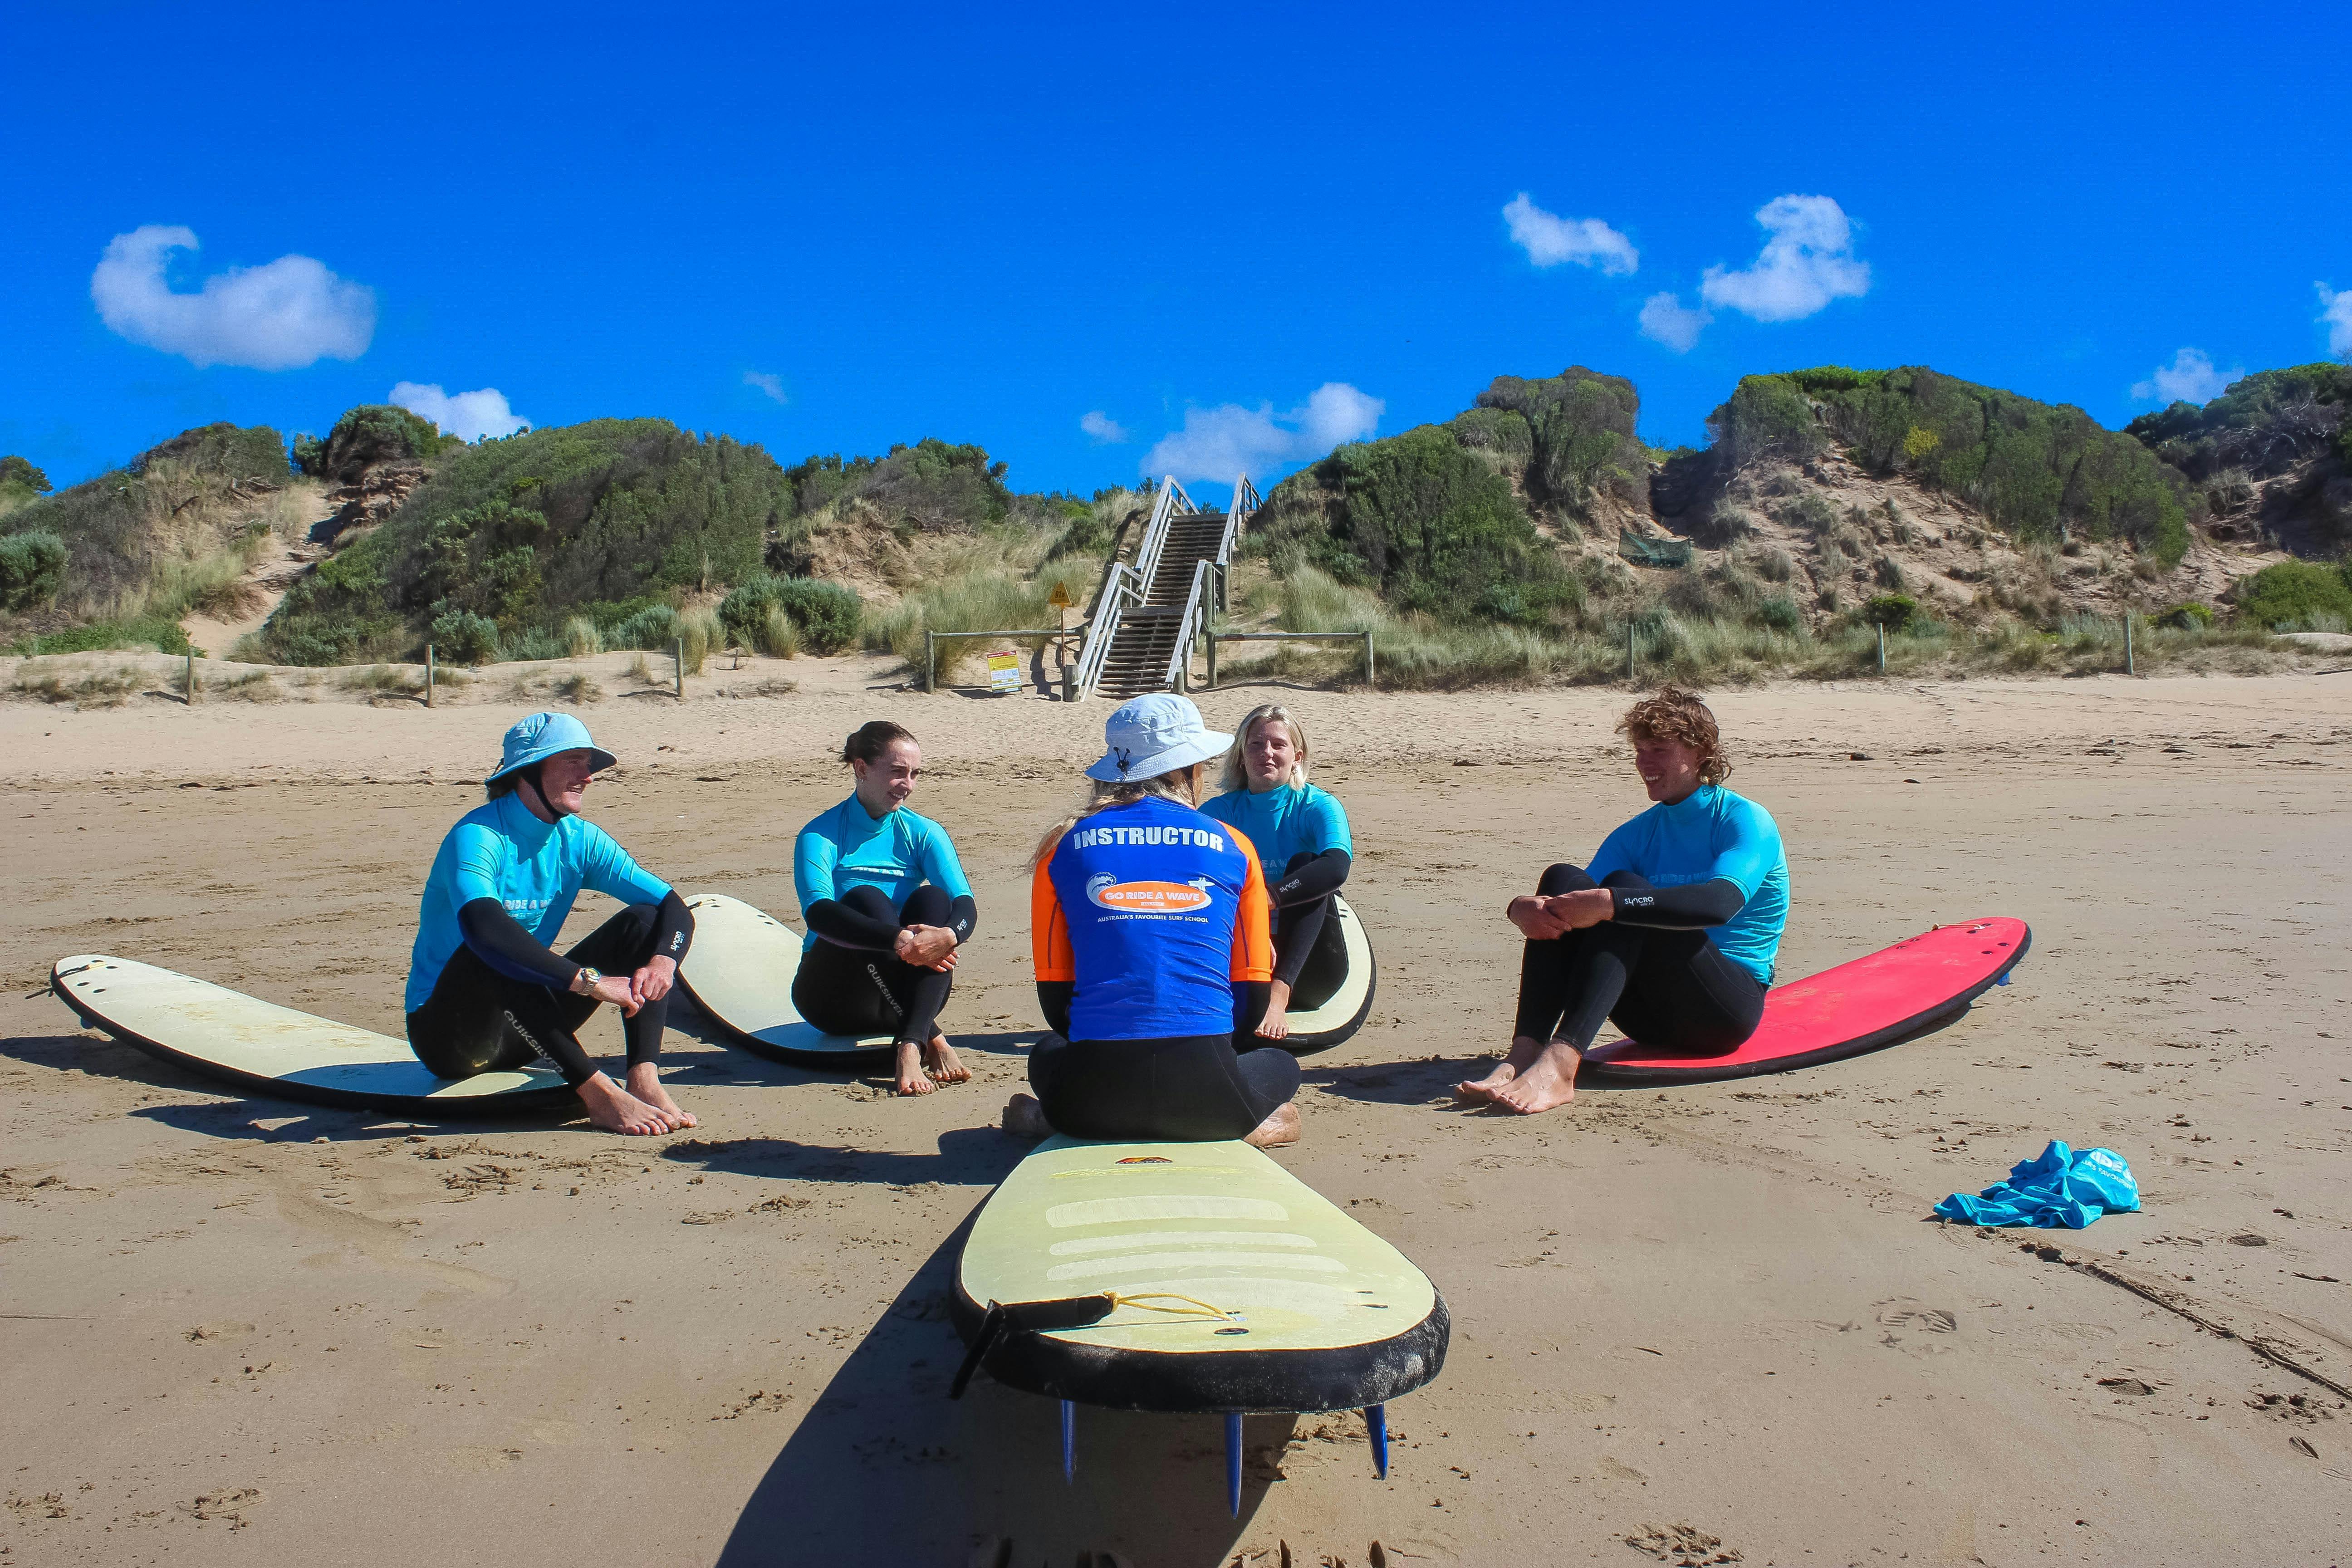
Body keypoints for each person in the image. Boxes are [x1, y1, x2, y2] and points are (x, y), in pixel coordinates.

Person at [1457, 686, 1787, 1115]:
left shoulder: (1744, 820)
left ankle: (1562, 1062)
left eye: (1659, 750)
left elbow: (1719, 903)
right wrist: (1521, 908)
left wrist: (1614, 903)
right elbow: (1573, 904)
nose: (1644, 763)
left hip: (1722, 1014)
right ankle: (1525, 1052)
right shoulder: (1638, 833)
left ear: (1702, 752)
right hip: (1646, 1017)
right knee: (1561, 878)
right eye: (1639, 751)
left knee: (1621, 890)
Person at [1002, 693, 1301, 1147]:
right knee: (1281, 1065)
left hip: (1089, 1104)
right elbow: (1251, 1002)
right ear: (1185, 770)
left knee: (1047, 1053)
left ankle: (1051, 1120)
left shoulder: (1060, 846)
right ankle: (1247, 1125)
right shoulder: (1235, 844)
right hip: (1211, 1102)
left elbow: (1056, 1004)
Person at [405, 712, 698, 1136]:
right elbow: (484, 930)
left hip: (525, 1030)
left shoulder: (579, 839)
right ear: (528, 771)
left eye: (589, 764)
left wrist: (663, 963)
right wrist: (592, 983)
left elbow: (672, 907)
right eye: (573, 762)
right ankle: (599, 1094)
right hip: (449, 1037)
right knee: (493, 949)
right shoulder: (478, 835)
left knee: (643, 921)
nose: (588, 776)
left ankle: (644, 1079)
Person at [791, 720, 977, 1096]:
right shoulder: (821, 834)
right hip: (832, 999)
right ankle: (933, 1038)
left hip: (904, 998)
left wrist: (949, 935)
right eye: (897, 772)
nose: (907, 785)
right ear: (862, 768)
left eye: (915, 774)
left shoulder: (923, 831)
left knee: (934, 900)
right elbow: (819, 913)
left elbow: (964, 904)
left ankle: (910, 1045)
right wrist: (897, 939)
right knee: (866, 898)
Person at [1198, 703, 1353, 1040]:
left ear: (1297, 756)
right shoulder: (1219, 812)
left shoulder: (1317, 805)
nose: (1266, 752)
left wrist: (1265, 899)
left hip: (1310, 966)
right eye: (1256, 744)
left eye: (1278, 745)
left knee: (1306, 862)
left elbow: (1336, 867)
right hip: (1241, 954)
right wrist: (1254, 931)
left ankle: (1279, 995)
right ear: (1242, 757)